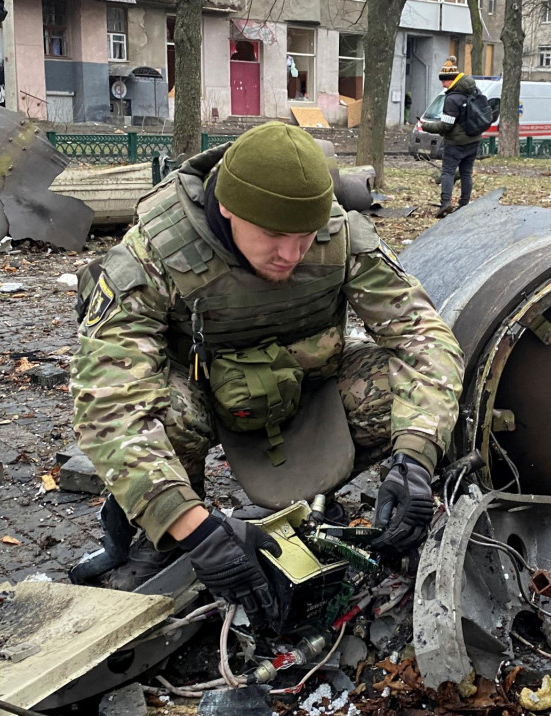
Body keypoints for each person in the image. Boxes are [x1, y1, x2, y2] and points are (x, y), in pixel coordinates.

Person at [70, 122, 465, 625]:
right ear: (230, 210)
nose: (292, 255)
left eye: (305, 236)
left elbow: (423, 338)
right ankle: (158, 535)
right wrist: (189, 525)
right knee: (162, 410)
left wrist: (417, 457)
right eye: (275, 236)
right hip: (204, 396)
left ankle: (315, 507)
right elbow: (108, 399)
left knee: (404, 393)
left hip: (305, 385)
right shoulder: (156, 253)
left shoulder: (339, 236)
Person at [421, 56, 482, 218]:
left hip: (455, 143)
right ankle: (464, 204)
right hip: (474, 139)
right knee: (466, 173)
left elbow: (446, 126)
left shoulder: (452, 99)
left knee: (447, 172)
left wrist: (425, 126)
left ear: (451, 80)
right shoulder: (473, 91)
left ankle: (446, 203)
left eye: (444, 81)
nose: (442, 84)